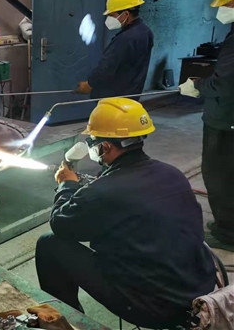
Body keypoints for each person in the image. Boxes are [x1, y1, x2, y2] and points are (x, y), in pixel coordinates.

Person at [35, 97, 215, 329]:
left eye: (92, 141)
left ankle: (66, 321)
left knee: (50, 244)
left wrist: (66, 185)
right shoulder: (172, 174)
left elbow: (61, 224)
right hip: (199, 293)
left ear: (105, 147)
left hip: (156, 308)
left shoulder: (103, 193)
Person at [179, 0, 234, 249]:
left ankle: (227, 235)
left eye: (226, 3)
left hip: (226, 121)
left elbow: (225, 83)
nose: (222, 9)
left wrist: (198, 86)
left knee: (220, 175)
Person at [76, 0, 154, 99]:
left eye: (112, 15)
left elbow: (106, 67)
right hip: (132, 95)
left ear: (126, 14)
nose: (109, 19)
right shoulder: (146, 32)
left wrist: (89, 84)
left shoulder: (126, 38)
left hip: (113, 98)